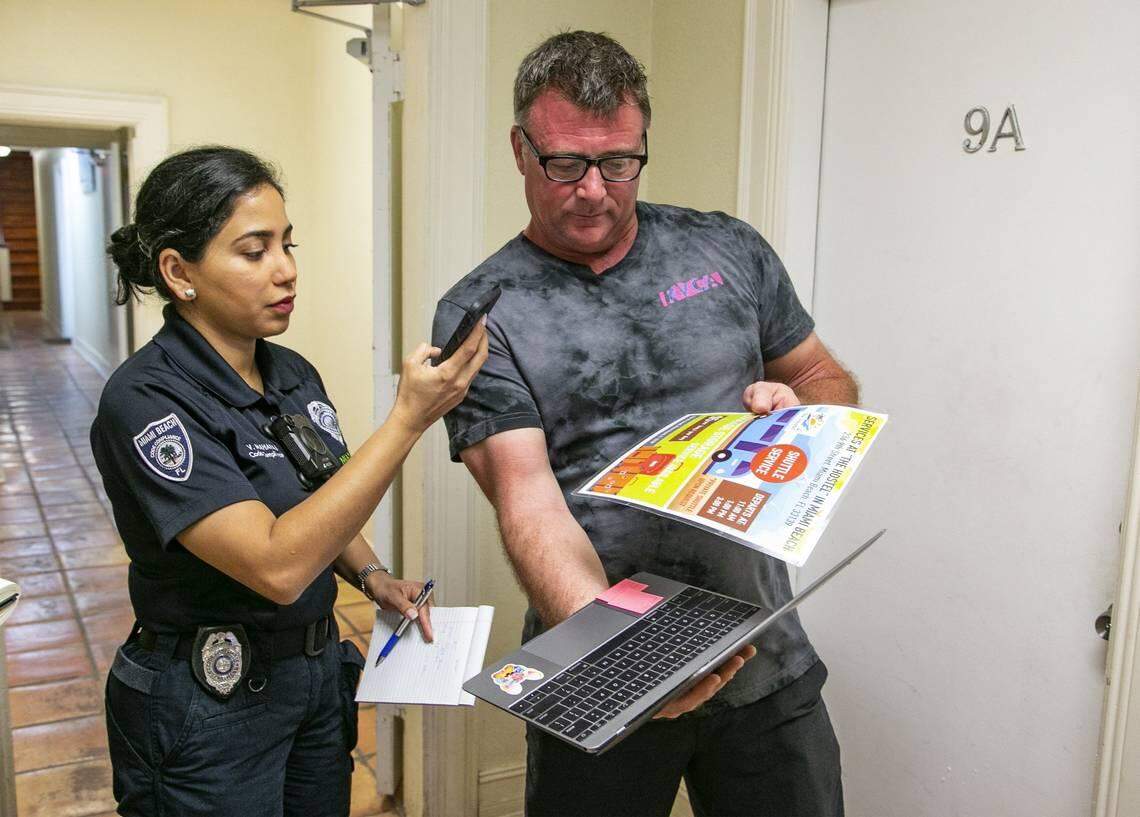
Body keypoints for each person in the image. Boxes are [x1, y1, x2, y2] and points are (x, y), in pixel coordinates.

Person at [432, 32, 858, 817]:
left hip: (767, 662)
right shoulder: (482, 313)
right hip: (600, 667)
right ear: (520, 150)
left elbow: (823, 376)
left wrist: (803, 418)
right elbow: (527, 501)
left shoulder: (728, 247)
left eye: (619, 162)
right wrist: (628, 657)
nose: (594, 189)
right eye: (566, 163)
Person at [92, 146, 487, 817]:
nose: (287, 270)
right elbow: (276, 563)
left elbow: (319, 500)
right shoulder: (147, 400)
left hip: (309, 677)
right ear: (178, 272)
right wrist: (407, 419)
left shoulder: (292, 373)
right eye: (254, 251)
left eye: (287, 244)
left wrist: (371, 574)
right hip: (208, 701)